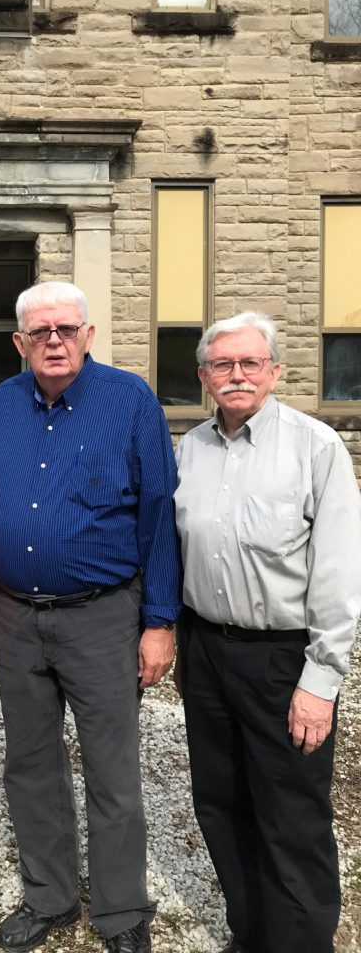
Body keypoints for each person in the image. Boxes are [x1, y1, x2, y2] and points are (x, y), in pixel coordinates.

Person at [0, 281, 182, 953]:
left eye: (65, 329)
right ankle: (49, 897)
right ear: (19, 343)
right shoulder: (0, 407)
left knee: (111, 769)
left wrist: (159, 620)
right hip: (18, 618)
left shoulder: (130, 401)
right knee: (30, 765)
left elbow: (159, 515)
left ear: (87, 335)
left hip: (103, 616)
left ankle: (120, 912)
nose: (53, 341)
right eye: (39, 332)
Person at [174, 311, 361, 953]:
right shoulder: (190, 449)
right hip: (206, 653)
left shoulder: (316, 448)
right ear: (203, 376)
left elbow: (339, 574)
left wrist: (322, 680)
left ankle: (301, 942)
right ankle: (251, 934)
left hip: (283, 660)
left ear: (275, 371)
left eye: (250, 363)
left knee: (291, 818)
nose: (236, 375)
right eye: (222, 364)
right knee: (221, 805)